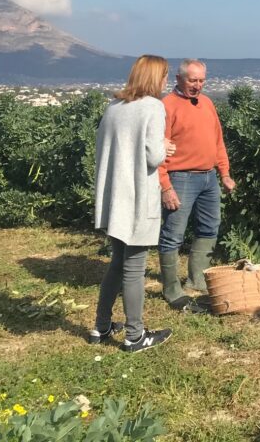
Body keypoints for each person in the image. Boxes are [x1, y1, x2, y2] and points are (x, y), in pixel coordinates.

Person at [91, 54, 175, 352]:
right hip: (137, 197)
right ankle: (135, 335)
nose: (167, 81)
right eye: (165, 76)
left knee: (117, 263)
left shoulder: (114, 106)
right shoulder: (153, 107)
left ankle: (101, 326)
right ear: (156, 78)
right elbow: (153, 156)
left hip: (114, 197)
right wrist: (165, 147)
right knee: (135, 268)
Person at [157, 59, 236, 311]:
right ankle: (171, 288)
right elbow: (158, 151)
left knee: (209, 227)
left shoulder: (208, 103)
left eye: (201, 80)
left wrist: (224, 173)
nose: (197, 85)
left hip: (208, 177)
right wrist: (165, 186)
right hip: (180, 177)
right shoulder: (167, 106)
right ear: (179, 79)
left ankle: (197, 279)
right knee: (173, 234)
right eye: (192, 80)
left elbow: (217, 141)